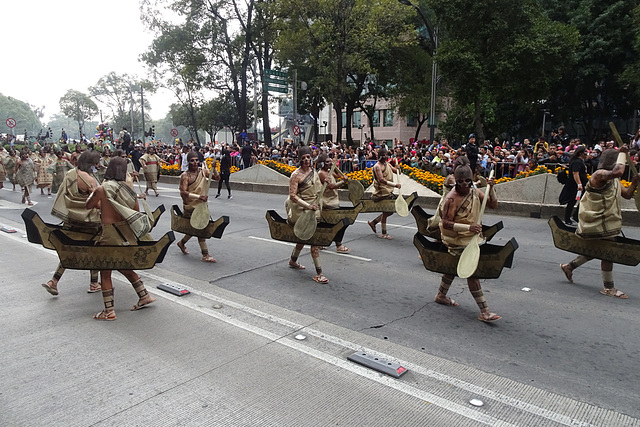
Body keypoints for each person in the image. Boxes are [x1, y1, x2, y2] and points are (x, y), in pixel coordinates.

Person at [560, 147, 639, 299]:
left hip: (607, 221)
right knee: (607, 252)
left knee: (597, 249)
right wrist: (623, 153)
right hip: (596, 221)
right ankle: (608, 287)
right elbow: (617, 172)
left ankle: (569, 267)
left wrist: (635, 183)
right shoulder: (599, 174)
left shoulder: (613, 180)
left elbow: (628, 195)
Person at [85, 157, 156, 320]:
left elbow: (88, 205)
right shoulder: (129, 190)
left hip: (109, 235)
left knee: (105, 271)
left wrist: (97, 199)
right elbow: (135, 211)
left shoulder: (103, 188)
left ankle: (109, 311)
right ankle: (144, 295)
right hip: (126, 234)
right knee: (123, 265)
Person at [435, 160, 501, 322]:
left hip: (472, 238)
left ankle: (441, 295)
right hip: (456, 239)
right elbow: (446, 224)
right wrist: (468, 228)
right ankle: (485, 311)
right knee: (472, 272)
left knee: (453, 267)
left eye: (467, 181)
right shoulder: (451, 199)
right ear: (456, 181)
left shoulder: (474, 191)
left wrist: (491, 189)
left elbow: (493, 204)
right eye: (461, 181)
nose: (464, 184)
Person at [43, 150, 102, 295]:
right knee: (96, 250)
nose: (98, 165)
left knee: (69, 250)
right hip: (89, 222)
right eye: (96, 163)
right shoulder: (90, 180)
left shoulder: (71, 174)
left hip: (70, 219)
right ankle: (94, 283)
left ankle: (54, 281)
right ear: (91, 164)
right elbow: (97, 203)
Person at [285, 146, 328, 284]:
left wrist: (324, 184)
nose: (306, 160)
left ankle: (293, 260)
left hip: (314, 209)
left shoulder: (314, 172)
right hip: (301, 211)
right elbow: (292, 196)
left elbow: (318, 191)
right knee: (314, 243)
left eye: (308, 157)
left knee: (303, 239)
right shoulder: (295, 175)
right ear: (299, 160)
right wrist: (308, 206)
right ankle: (319, 273)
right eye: (303, 158)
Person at [176, 151, 219, 262]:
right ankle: (205, 255)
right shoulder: (185, 176)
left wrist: (214, 168)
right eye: (192, 160)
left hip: (202, 205)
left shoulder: (203, 171)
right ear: (188, 162)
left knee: (194, 228)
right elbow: (183, 192)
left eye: (196, 160)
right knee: (200, 228)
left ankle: (181, 243)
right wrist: (198, 197)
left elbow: (216, 178)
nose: (195, 163)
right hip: (191, 206)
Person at [367, 145, 401, 240]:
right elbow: (381, 180)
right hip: (381, 192)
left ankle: (374, 222)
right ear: (381, 156)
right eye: (384, 155)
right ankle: (383, 233)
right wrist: (395, 185)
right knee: (387, 211)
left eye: (387, 155)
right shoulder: (377, 167)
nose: (386, 157)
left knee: (390, 211)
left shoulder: (388, 164)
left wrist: (398, 168)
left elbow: (397, 172)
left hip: (388, 191)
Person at [318, 153, 350, 253]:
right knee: (341, 222)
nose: (329, 163)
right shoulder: (321, 173)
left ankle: (322, 242)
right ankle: (338, 245)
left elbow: (338, 175)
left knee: (330, 224)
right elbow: (331, 186)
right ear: (322, 163)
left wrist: (334, 166)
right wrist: (342, 182)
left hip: (334, 201)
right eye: (327, 162)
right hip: (327, 202)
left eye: (330, 161)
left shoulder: (329, 171)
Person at [559, 145, 588, 226]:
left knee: (582, 200)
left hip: (577, 184)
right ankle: (568, 218)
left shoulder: (578, 161)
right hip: (574, 185)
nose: (586, 153)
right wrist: (579, 184)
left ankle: (574, 216)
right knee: (573, 201)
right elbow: (575, 173)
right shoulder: (577, 162)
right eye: (585, 152)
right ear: (581, 153)